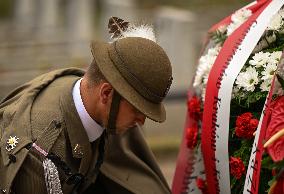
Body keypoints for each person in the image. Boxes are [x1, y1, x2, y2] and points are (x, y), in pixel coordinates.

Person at [0, 21, 173, 194]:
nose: (141, 121)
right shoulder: (40, 156)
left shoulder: (91, 97)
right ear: (106, 94)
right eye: (137, 110)